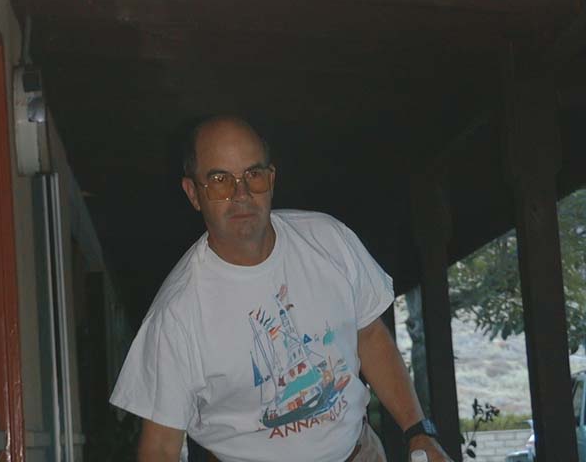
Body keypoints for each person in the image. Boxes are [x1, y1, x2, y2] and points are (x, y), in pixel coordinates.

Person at [110, 116, 453, 462]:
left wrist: (418, 431)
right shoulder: (174, 315)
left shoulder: (329, 241)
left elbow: (370, 336)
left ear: (271, 179)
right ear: (193, 193)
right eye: (219, 180)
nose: (241, 194)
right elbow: (160, 447)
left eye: (253, 175)